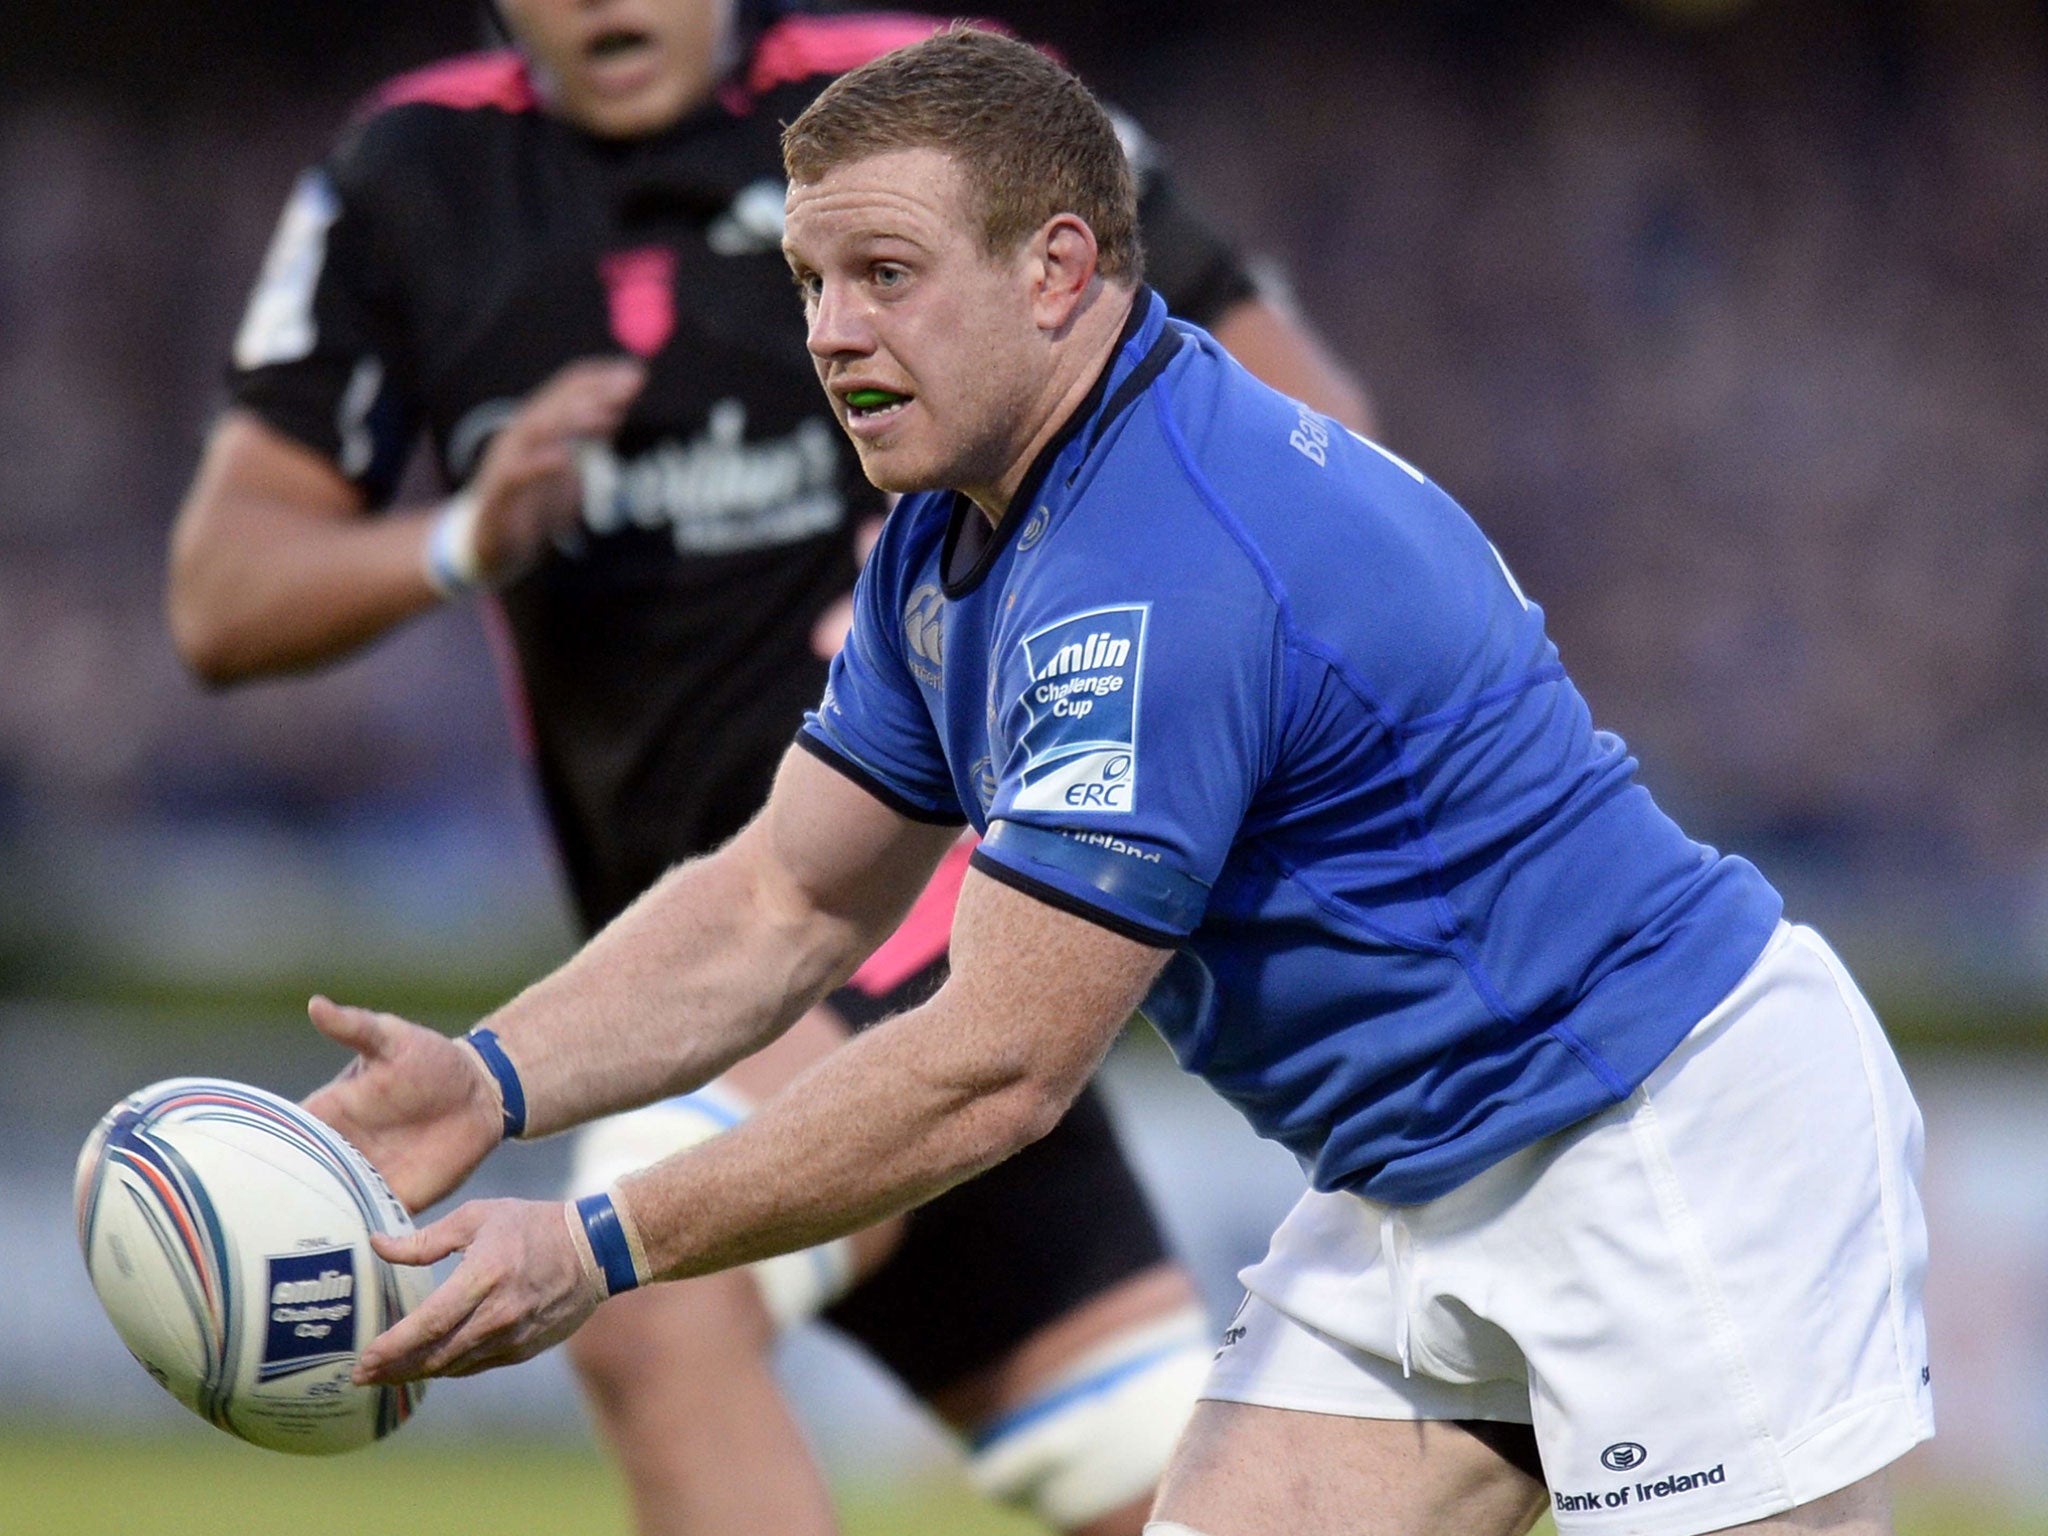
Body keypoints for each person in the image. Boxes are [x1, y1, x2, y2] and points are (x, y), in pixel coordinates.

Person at [297, 24, 1934, 1536]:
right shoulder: (954, 535)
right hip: (1409, 1179)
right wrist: (487, 1082)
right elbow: (783, 898)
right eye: (807, 280)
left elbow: (996, 1066)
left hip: (1661, 1137)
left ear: (1059, 268)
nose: (830, 335)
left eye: (884, 274)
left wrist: (599, 1246)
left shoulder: (1151, 564)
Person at [164, 3, 1374, 1532]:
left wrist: (1030, 566)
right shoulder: (403, 180)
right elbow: (220, 595)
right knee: (1160, 1500)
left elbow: (1308, 433)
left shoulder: (935, 105)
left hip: (942, 902)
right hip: (694, 973)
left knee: (645, 1303)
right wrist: (463, 536)